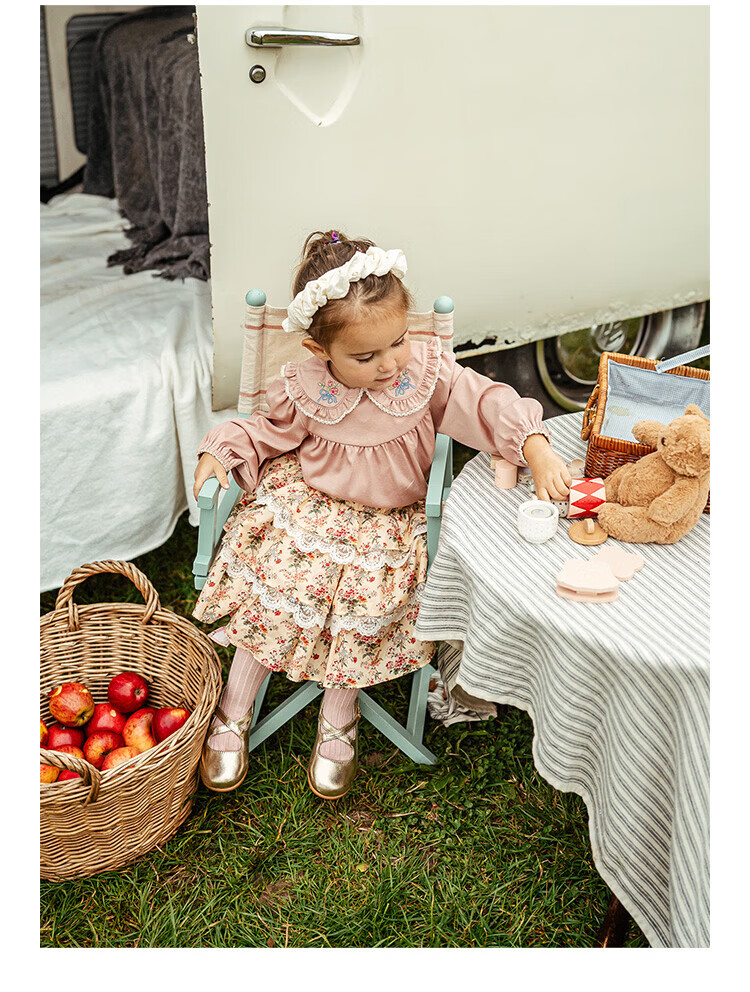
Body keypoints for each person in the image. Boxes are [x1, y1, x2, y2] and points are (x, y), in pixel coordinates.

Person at [192, 230, 572, 800]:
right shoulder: (306, 387)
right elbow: (266, 433)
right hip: (311, 505)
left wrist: (533, 444)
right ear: (319, 351)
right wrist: (221, 450)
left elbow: (484, 401)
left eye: (397, 342)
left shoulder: (426, 374)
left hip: (390, 520)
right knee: (279, 576)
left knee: (363, 598)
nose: (390, 363)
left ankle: (338, 712)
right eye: (365, 357)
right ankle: (235, 706)